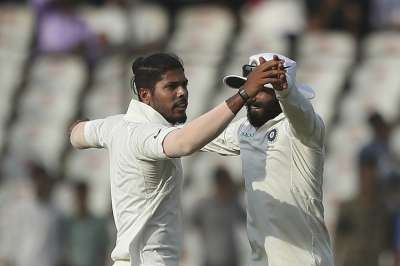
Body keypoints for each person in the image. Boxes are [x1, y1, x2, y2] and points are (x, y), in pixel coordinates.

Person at [69, 52, 286, 266]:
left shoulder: (115, 125)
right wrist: (244, 94)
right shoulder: (142, 134)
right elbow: (184, 143)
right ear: (145, 95)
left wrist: (80, 126)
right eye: (171, 87)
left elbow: (77, 134)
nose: (182, 92)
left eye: (184, 85)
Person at [201, 52, 334, 265]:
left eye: (263, 90)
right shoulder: (245, 129)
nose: (253, 96)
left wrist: (285, 90)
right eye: (251, 89)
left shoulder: (303, 131)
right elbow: (197, 136)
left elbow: (300, 112)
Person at [334, 154, 393, 266]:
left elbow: (387, 245)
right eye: (365, 176)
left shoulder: (384, 211)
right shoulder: (347, 208)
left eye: (371, 176)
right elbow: (339, 242)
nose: (368, 181)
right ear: (360, 177)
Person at [191, 166, 246, 266]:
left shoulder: (234, 203)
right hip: (210, 259)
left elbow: (246, 221)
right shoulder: (204, 205)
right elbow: (192, 225)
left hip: (232, 259)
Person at [64, 181, 109, 266]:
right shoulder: (68, 223)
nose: (80, 200)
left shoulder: (98, 224)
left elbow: (104, 250)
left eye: (82, 196)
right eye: (78, 196)